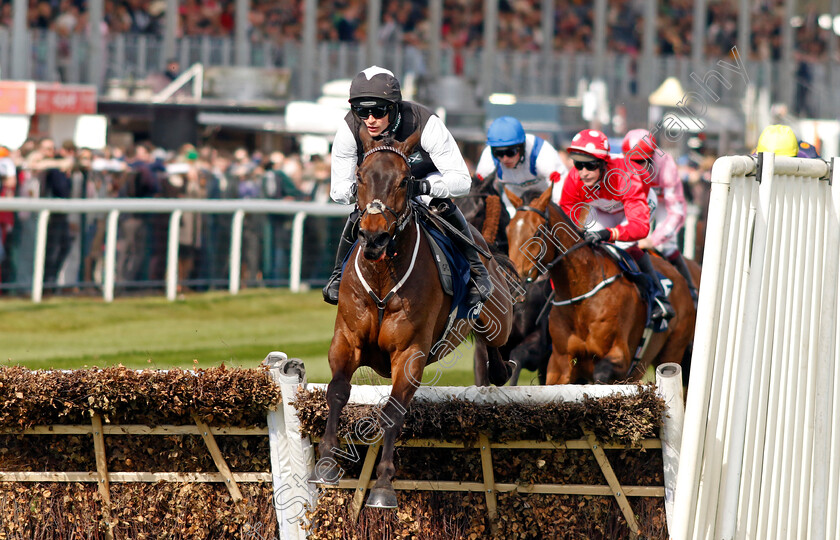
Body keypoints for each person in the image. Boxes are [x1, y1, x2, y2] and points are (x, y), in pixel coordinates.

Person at [323, 65, 491, 307]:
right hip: (378, 189)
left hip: (426, 180)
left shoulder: (426, 123)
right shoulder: (349, 129)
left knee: (439, 205)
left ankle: (477, 272)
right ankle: (338, 275)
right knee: (361, 213)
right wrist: (363, 191)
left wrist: (421, 187)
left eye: (378, 111)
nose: (370, 120)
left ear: (394, 107)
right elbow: (338, 191)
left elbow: (462, 181)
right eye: (361, 111)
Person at [559, 129, 675, 321]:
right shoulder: (574, 178)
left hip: (639, 204)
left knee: (623, 246)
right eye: (579, 165)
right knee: (584, 245)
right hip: (603, 210)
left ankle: (658, 297)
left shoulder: (625, 177)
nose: (583, 173)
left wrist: (610, 234)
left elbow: (639, 227)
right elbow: (567, 214)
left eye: (590, 166)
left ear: (604, 164)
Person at [622, 129, 697, 301]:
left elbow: (676, 212)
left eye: (641, 162)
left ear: (652, 158)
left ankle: (692, 292)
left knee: (666, 246)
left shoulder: (666, 166)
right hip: (637, 198)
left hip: (664, 204)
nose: (636, 168)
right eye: (631, 161)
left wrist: (652, 240)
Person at [475, 116, 568, 214]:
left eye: (510, 152)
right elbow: (477, 190)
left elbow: (560, 189)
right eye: (498, 153)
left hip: (546, 200)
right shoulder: (487, 158)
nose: (505, 158)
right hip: (513, 202)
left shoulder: (542, 153)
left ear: (522, 147)